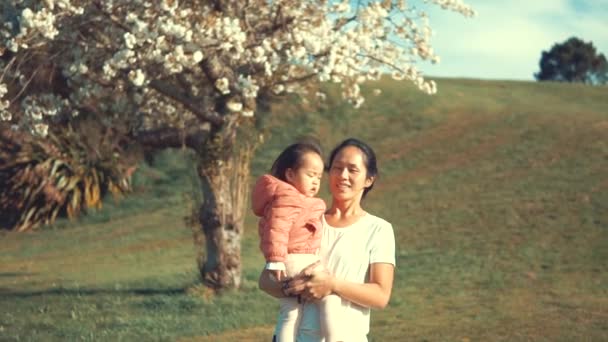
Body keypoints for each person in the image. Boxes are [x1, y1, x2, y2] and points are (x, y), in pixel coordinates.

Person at [259, 138, 396, 342]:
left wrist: (332, 285)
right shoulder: (305, 218)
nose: (343, 176)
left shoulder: (378, 229)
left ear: (369, 179)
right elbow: (265, 280)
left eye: (353, 170)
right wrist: (290, 287)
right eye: (337, 168)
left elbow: (380, 295)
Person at [252, 140, 340, 342]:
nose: (316, 182)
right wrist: (275, 259)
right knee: (330, 299)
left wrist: (275, 261)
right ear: (290, 174)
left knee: (289, 312)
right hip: (298, 260)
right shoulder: (289, 198)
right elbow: (277, 228)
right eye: (310, 175)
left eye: (319, 177)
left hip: (286, 263)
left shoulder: (283, 198)